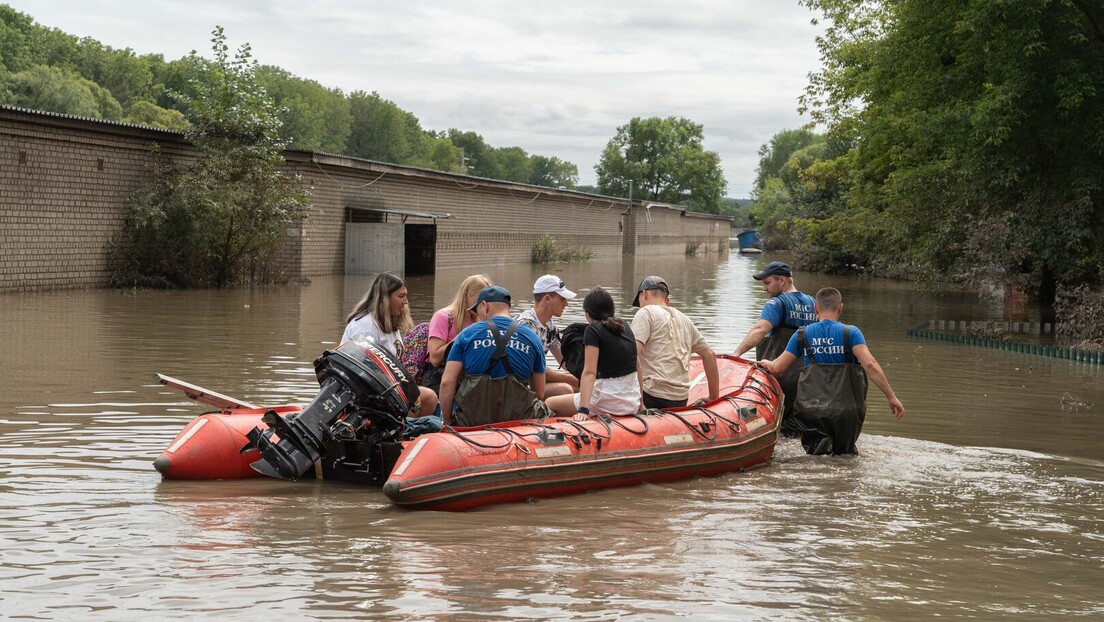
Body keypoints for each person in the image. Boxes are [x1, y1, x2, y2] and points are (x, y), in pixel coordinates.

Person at [761, 287, 905, 455]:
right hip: (846, 412)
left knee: (817, 459)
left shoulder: (802, 335)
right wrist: (891, 396)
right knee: (844, 458)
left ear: (815, 308)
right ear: (840, 308)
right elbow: (870, 365)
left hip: (811, 411)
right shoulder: (851, 333)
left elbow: (777, 368)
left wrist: (765, 363)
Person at [439, 286, 547, 427]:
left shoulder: (467, 334)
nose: (478, 316)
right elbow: (539, 392)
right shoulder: (532, 338)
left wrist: (447, 421)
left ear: (484, 306)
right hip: (517, 423)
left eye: (477, 310)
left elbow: (447, 382)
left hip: (471, 422)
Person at [732, 261, 817, 436]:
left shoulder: (777, 303)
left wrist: (737, 353)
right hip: (808, 380)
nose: (764, 288)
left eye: (767, 282)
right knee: (796, 432)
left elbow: (760, 329)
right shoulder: (813, 303)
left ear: (782, 281)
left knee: (774, 430)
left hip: (780, 377)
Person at [342, 272, 439, 420]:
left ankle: (410, 436)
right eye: (401, 296)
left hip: (386, 387)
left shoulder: (390, 325)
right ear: (385, 298)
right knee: (413, 400)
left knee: (430, 397)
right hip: (363, 392)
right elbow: (363, 370)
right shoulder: (366, 326)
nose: (406, 301)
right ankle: (399, 436)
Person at [546, 287, 641, 419]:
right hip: (632, 402)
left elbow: (589, 372)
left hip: (607, 401)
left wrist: (583, 410)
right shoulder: (625, 326)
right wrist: (641, 405)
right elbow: (638, 367)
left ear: (587, 313)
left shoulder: (592, 330)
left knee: (549, 403)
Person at [630, 275, 720, 409]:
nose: (639, 307)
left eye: (639, 302)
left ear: (645, 294)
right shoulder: (685, 319)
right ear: (667, 300)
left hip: (651, 395)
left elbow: (631, 354)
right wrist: (713, 397)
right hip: (680, 398)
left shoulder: (645, 313)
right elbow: (709, 355)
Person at [515, 274, 579, 397]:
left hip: (534, 381)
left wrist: (590, 374)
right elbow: (534, 369)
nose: (566, 303)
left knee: (578, 387)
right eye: (562, 299)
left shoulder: (551, 327)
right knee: (565, 389)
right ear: (548, 299)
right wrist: (571, 379)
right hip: (517, 385)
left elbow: (565, 362)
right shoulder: (526, 325)